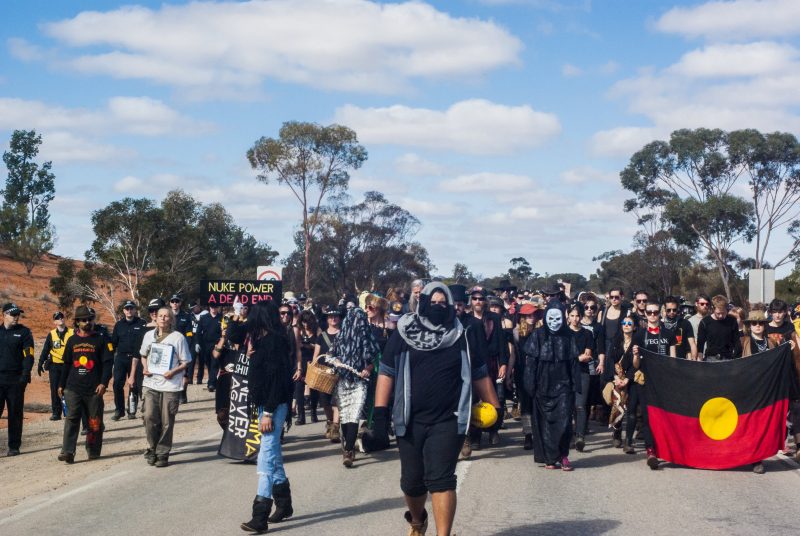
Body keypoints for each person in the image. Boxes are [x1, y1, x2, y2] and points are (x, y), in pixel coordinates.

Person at [375, 282, 499, 536]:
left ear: (452, 306)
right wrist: (379, 412)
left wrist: (496, 409)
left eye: (444, 302)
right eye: (434, 301)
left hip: (449, 419)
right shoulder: (404, 331)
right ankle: (418, 520)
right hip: (409, 419)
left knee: (441, 479)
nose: (439, 306)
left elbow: (479, 373)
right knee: (412, 482)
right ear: (423, 303)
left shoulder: (462, 333)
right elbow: (386, 371)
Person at [240, 301, 294, 534]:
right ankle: (284, 504)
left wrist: (269, 412)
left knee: (266, 457)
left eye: (252, 315)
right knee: (274, 456)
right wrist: (235, 316)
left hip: (274, 405)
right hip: (265, 405)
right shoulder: (263, 340)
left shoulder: (274, 342)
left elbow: (278, 380)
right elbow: (234, 333)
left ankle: (259, 515)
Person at [523, 301, 582, 471]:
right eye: (551, 318)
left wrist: (575, 385)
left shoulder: (569, 336)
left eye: (558, 318)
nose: (554, 321)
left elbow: (573, 363)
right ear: (546, 317)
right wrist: (530, 386)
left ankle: (563, 456)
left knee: (563, 422)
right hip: (542, 386)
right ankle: (550, 458)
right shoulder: (537, 335)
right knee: (545, 424)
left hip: (563, 386)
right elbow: (531, 364)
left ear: (563, 318)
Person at [323, 307, 379, 467]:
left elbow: (375, 357)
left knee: (354, 415)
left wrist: (367, 369)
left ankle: (348, 450)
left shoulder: (368, 337)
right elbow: (330, 355)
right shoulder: (341, 337)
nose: (358, 324)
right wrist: (337, 362)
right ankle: (347, 441)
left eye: (361, 320)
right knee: (345, 415)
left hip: (360, 382)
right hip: (343, 380)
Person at [58, 305, 113, 463]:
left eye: (90, 319)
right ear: (77, 322)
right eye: (84, 320)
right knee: (72, 419)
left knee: (94, 421)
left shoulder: (101, 339)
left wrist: (103, 383)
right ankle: (68, 451)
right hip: (73, 387)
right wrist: (61, 385)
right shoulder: (72, 340)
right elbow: (66, 364)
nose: (88, 322)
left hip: (94, 389)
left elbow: (108, 363)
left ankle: (93, 449)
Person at [139, 306, 192, 467]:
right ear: (155, 318)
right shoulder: (148, 335)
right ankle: (152, 447)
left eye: (166, 316)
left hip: (170, 385)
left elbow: (186, 361)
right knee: (149, 416)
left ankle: (162, 453)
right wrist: (145, 368)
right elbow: (143, 355)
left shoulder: (178, 338)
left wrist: (173, 371)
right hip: (150, 383)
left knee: (167, 420)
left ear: (171, 319)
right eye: (160, 315)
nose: (162, 318)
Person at [631, 301, 676, 470]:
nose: (652, 315)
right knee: (648, 416)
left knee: (664, 415)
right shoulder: (640, 335)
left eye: (655, 312)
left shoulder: (669, 333)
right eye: (649, 312)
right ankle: (650, 450)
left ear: (661, 313)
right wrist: (635, 355)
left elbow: (673, 360)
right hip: (646, 381)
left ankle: (664, 449)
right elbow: (635, 365)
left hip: (664, 382)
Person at [468, 286, 508, 448]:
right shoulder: (466, 319)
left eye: (481, 299)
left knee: (494, 400)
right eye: (475, 298)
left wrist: (503, 363)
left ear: (486, 301)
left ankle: (493, 430)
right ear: (471, 301)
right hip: (472, 365)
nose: (478, 301)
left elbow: (502, 343)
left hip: (491, 364)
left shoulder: (494, 318)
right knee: (474, 400)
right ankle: (475, 436)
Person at [0, 303, 34, 456]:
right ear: (4, 315)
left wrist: (25, 375)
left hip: (15, 380)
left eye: (17, 314)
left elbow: (29, 355)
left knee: (15, 414)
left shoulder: (24, 332)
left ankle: (14, 446)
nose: (16, 317)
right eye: (13, 314)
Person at [110, 300, 147, 420]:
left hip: (135, 358)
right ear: (124, 311)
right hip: (121, 358)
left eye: (131, 308)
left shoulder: (142, 323)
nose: (129, 310)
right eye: (127, 308)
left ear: (135, 310)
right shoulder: (119, 325)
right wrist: (110, 356)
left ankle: (132, 410)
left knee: (134, 385)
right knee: (117, 385)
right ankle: (119, 410)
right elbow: (113, 343)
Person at [568, 302, 596, 453]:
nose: (575, 318)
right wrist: (576, 358)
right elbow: (562, 355)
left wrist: (575, 358)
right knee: (568, 406)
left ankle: (580, 436)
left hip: (583, 372)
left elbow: (588, 355)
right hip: (565, 373)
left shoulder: (587, 333)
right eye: (572, 315)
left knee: (580, 405)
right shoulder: (563, 333)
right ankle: (568, 436)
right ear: (568, 316)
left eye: (577, 315)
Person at [606, 313, 636, 448]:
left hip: (631, 378)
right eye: (624, 324)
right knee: (618, 404)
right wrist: (616, 377)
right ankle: (617, 433)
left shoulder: (637, 342)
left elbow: (637, 364)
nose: (626, 326)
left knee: (631, 408)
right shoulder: (616, 340)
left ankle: (628, 439)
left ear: (634, 327)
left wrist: (628, 379)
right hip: (617, 378)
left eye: (629, 324)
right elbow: (611, 359)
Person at [510, 302, 537, 450]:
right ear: (523, 317)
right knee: (525, 404)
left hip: (538, 373)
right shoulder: (516, 333)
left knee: (536, 403)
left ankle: (538, 433)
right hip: (521, 372)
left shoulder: (541, 332)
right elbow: (513, 354)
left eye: (533, 315)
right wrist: (508, 373)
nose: (531, 318)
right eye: (528, 315)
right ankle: (528, 435)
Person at [37, 311, 73, 421]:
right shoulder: (51, 334)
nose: (60, 319)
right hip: (55, 366)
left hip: (68, 365)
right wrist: (40, 363)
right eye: (58, 318)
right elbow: (45, 350)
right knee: (54, 389)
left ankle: (70, 411)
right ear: (54, 322)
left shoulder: (72, 332)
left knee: (68, 389)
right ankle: (56, 413)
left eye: (62, 317)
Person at [316, 306, 343, 442]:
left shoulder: (344, 334)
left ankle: (335, 427)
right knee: (325, 402)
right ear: (327, 319)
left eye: (336, 316)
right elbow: (317, 355)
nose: (333, 318)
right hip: (325, 374)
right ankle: (330, 420)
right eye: (331, 316)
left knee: (336, 400)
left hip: (339, 372)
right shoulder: (322, 336)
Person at [696, 295, 742, 361]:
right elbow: (700, 344)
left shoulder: (732, 321)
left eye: (723, 313)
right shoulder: (705, 322)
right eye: (718, 313)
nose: (721, 316)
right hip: (711, 359)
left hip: (728, 359)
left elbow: (737, 342)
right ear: (713, 309)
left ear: (726, 309)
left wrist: (736, 359)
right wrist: (699, 360)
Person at [170, 294, 194, 404]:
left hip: (183, 347)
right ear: (170, 303)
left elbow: (189, 332)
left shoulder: (186, 315)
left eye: (177, 301)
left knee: (184, 373)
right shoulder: (167, 316)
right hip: (170, 349)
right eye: (173, 301)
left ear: (180, 303)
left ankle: (183, 393)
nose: (175, 303)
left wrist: (188, 345)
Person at [198, 303, 223, 392]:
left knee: (214, 363)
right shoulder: (203, 318)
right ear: (209, 307)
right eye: (212, 307)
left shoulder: (221, 318)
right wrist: (198, 343)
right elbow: (198, 332)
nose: (213, 308)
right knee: (208, 363)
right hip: (205, 345)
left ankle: (211, 383)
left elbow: (224, 331)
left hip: (217, 345)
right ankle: (212, 380)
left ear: (218, 307)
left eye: (215, 306)